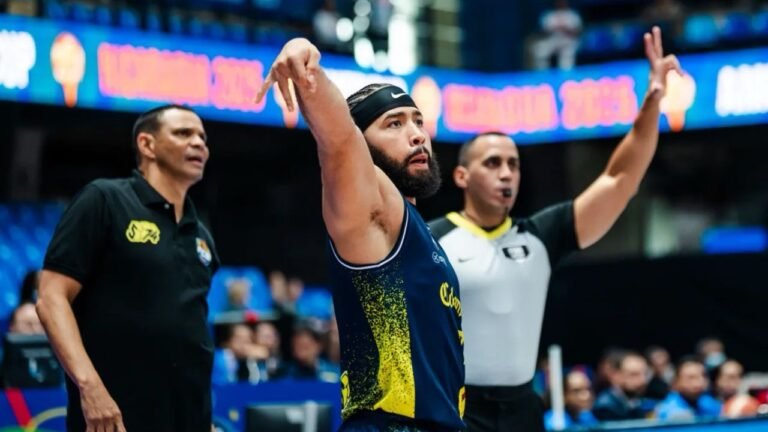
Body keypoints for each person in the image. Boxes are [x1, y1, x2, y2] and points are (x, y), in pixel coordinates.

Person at [429, 27, 681, 432]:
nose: (506, 173)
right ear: (461, 176)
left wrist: (652, 102)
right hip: (457, 409)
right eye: (492, 163)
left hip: (524, 411)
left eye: (513, 164)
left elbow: (620, 179)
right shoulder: (431, 239)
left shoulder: (542, 236)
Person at [256, 39, 464, 431]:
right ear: (362, 148)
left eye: (418, 121)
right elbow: (339, 142)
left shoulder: (417, 229)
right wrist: (306, 65)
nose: (417, 135)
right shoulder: (370, 212)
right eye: (394, 124)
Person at [36, 105, 220, 432]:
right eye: (183, 133)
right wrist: (90, 387)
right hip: (114, 417)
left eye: (202, 137)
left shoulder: (201, 235)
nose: (198, 143)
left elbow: (189, 334)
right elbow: (51, 299)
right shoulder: (105, 200)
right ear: (147, 144)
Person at [593, 352, 657, 421]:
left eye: (645, 374)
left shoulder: (640, 401)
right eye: (634, 374)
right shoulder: (605, 408)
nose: (643, 380)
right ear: (616, 376)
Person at [656, 357, 722, 420]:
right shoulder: (667, 410)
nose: (699, 382)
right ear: (676, 382)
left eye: (703, 376)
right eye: (691, 377)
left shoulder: (710, 403)